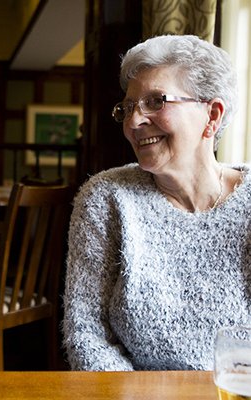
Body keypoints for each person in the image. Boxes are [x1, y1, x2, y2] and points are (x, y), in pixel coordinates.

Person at [63, 34, 250, 371]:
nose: (134, 122)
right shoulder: (107, 198)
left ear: (212, 115)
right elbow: (87, 335)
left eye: (156, 101)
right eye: (129, 107)